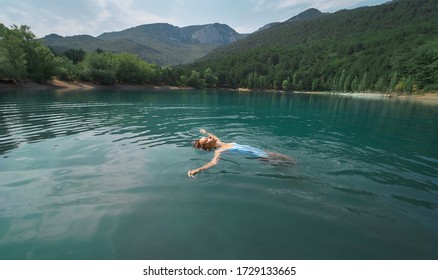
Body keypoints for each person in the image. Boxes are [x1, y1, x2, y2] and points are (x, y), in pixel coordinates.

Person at [187, 129, 293, 178]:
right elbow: (213, 163)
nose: (209, 138)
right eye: (206, 140)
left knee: (291, 160)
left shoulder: (220, 142)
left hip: (262, 151)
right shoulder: (219, 151)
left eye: (207, 138)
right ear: (207, 147)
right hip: (261, 157)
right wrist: (198, 170)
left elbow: (213, 135)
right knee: (288, 167)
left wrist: (205, 132)